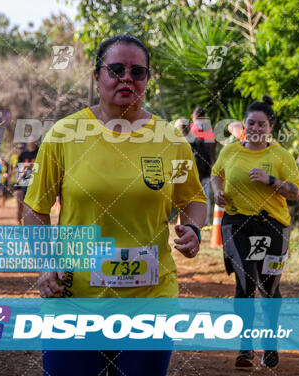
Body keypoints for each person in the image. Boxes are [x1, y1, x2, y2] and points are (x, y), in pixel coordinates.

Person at [24, 33, 207, 376]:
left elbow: (194, 198)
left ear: (147, 81)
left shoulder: (170, 140)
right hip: (76, 301)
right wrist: (46, 263)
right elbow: (35, 209)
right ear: (97, 76)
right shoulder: (65, 135)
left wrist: (194, 228)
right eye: (116, 69)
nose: (127, 78)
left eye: (138, 72)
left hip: (150, 302)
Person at [211, 95, 299, 369]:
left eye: (262, 125)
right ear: (244, 124)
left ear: (270, 128)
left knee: (268, 287)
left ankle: (270, 345)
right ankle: (245, 348)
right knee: (245, 283)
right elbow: (217, 174)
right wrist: (216, 191)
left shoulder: (280, 156)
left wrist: (270, 181)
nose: (255, 129)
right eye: (251, 123)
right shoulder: (230, 151)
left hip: (272, 227)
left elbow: (296, 192)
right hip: (237, 224)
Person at [175, 117, 212, 225]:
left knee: (202, 200)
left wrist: (201, 178)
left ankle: (202, 223)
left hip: (200, 177)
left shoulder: (193, 143)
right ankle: (198, 222)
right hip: (196, 177)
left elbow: (203, 160)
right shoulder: (186, 143)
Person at [14, 138, 38, 225]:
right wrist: (18, 186)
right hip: (25, 182)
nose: (31, 143)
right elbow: (19, 171)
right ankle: (23, 222)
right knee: (25, 205)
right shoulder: (23, 155)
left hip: (37, 182)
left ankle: (34, 223)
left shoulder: (40, 152)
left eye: (33, 141)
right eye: (29, 142)